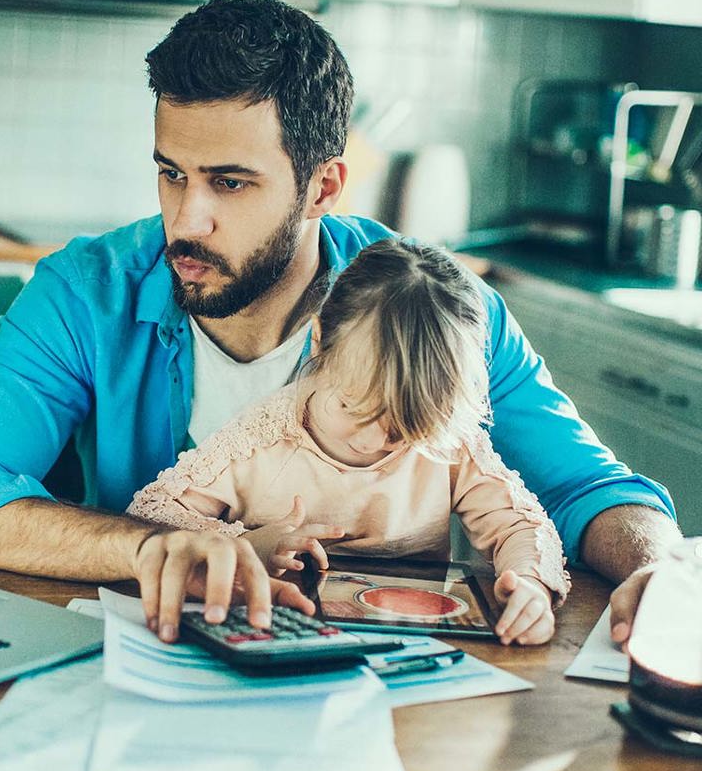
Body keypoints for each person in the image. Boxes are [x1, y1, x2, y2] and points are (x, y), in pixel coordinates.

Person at [0, 0, 681, 645]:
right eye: (171, 174)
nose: (186, 221)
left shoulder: (435, 310)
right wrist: (165, 547)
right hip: (154, 660)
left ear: (324, 187)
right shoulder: (87, 291)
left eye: (230, 182)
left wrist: (663, 571)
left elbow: (588, 487)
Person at [127, 239, 570, 645]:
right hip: (276, 636)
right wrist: (249, 544)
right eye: (355, 409)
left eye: (404, 425)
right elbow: (152, 514)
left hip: (410, 643)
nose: (375, 441)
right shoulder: (262, 438)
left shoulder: (448, 444)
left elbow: (520, 524)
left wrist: (528, 583)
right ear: (319, 341)